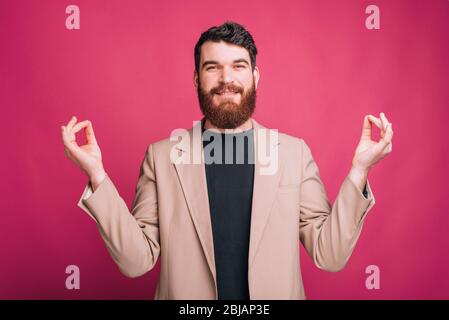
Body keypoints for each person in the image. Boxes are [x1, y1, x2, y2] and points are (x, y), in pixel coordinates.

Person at [60, 22, 393, 300]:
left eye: (238, 66)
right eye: (212, 67)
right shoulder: (162, 157)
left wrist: (359, 172)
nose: (226, 79)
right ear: (196, 79)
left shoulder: (293, 153)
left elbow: (330, 254)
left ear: (255, 76)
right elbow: (135, 262)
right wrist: (97, 175)